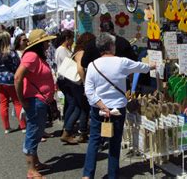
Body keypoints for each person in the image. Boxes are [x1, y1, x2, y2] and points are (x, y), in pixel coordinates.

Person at [82, 33, 155, 179]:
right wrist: (153, 65)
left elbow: (88, 90)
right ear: (110, 46)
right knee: (114, 143)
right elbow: (142, 67)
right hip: (117, 108)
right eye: (114, 44)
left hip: (98, 109)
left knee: (94, 141)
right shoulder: (122, 62)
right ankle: (113, 175)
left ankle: (87, 175)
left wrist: (101, 105)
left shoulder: (92, 65)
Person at [14, 29, 59, 178]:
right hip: (35, 101)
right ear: (40, 43)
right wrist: (22, 100)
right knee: (33, 133)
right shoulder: (32, 56)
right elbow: (18, 77)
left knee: (37, 132)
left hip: (40, 101)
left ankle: (36, 163)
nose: (48, 43)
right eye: (46, 41)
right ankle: (31, 169)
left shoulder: (37, 57)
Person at [0, 32, 26, 134]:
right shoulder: (11, 53)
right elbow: (17, 65)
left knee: (3, 103)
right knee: (17, 102)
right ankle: (23, 126)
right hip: (10, 79)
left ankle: (6, 127)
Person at [69, 32, 95, 143]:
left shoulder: (76, 51)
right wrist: (85, 85)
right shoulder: (81, 52)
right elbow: (80, 69)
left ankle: (68, 129)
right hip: (79, 84)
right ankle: (82, 132)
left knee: (78, 107)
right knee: (84, 108)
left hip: (74, 84)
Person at [54, 30, 78, 144]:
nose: (73, 40)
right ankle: (66, 127)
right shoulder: (61, 50)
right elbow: (67, 63)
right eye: (71, 38)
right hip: (64, 79)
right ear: (67, 38)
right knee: (72, 102)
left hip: (67, 79)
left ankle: (67, 124)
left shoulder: (65, 49)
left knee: (69, 103)